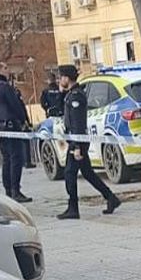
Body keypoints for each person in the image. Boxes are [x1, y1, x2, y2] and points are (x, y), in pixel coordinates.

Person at [56, 64, 120, 219]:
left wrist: (77, 146)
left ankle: (73, 208)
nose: (59, 80)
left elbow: (77, 122)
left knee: (70, 173)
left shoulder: (76, 96)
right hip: (76, 140)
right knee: (88, 173)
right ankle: (111, 198)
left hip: (77, 141)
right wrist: (60, 93)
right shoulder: (71, 94)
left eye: (61, 77)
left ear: (67, 78)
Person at [0, 70, 32, 202]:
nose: (8, 71)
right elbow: (15, 105)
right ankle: (15, 190)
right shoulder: (4, 87)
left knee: (6, 158)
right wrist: (24, 120)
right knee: (16, 158)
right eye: (6, 69)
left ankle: (8, 189)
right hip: (10, 124)